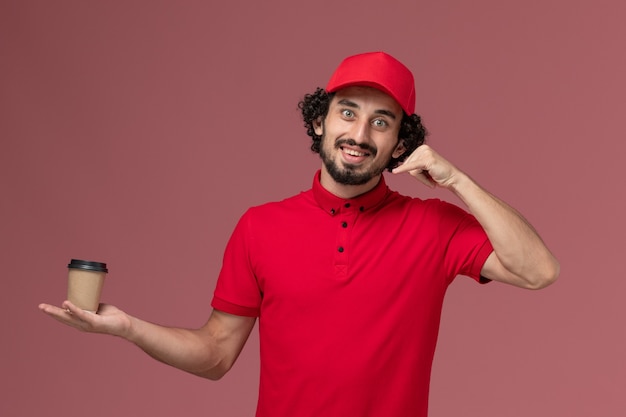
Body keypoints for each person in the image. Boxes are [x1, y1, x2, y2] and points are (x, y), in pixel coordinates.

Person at [40, 51, 559, 417]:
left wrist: (457, 181)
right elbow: (217, 354)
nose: (359, 134)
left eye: (382, 122)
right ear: (319, 122)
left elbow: (539, 271)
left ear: (402, 141)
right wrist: (129, 327)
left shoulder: (434, 226)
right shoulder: (259, 227)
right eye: (347, 113)